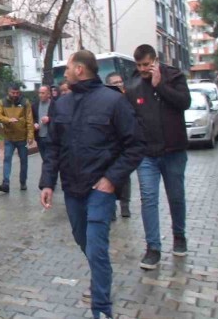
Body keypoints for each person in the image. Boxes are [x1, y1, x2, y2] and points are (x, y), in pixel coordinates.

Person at [40, 50, 143, 319]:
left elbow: (135, 145)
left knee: (97, 247)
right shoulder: (60, 104)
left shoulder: (113, 101)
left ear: (80, 70)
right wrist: (47, 183)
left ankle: (101, 309)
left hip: (101, 189)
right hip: (72, 189)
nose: (65, 73)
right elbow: (52, 147)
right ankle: (102, 276)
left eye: (69, 67)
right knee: (82, 239)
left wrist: (111, 179)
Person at [125, 44, 191, 270]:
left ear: (155, 61)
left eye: (146, 64)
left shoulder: (174, 76)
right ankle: (153, 248)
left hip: (174, 151)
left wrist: (159, 85)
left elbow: (184, 103)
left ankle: (179, 236)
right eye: (139, 65)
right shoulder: (132, 84)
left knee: (176, 197)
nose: (143, 69)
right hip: (147, 155)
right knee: (149, 199)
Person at [0, 85, 34, 192]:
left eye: (17, 93)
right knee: (7, 159)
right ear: (9, 92)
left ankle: (23, 182)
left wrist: (30, 136)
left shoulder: (25, 102)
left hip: (22, 138)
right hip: (9, 137)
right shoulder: (2, 102)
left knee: (24, 161)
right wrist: (8, 120)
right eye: (13, 92)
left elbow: (30, 119)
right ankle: (5, 183)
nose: (15, 95)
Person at [105, 72, 131, 219]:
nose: (118, 84)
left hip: (124, 144)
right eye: (115, 82)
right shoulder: (105, 100)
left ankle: (125, 205)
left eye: (120, 81)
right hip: (110, 145)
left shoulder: (128, 98)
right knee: (109, 176)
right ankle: (112, 208)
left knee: (125, 177)